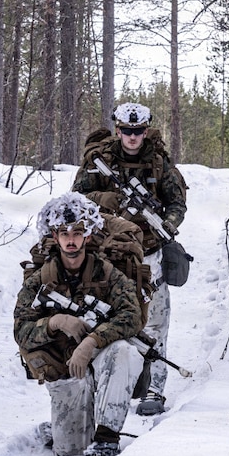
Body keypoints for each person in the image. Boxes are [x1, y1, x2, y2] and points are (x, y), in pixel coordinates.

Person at [72, 102, 187, 416]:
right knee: (103, 320)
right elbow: (77, 200)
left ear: (145, 130)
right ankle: (102, 385)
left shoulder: (159, 163)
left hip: (150, 254)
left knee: (156, 323)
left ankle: (154, 389)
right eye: (126, 130)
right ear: (117, 129)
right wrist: (113, 200)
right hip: (109, 255)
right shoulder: (98, 162)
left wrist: (168, 225)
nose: (132, 136)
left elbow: (177, 202)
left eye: (138, 131)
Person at [14, 193, 145, 456]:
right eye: (64, 233)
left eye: (78, 232)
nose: (71, 239)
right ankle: (60, 425)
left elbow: (132, 316)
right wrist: (55, 323)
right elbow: (21, 330)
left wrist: (93, 342)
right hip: (65, 371)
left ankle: (107, 439)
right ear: (55, 235)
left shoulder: (107, 274)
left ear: (87, 236)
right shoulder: (40, 279)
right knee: (70, 451)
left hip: (99, 362)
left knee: (125, 352)